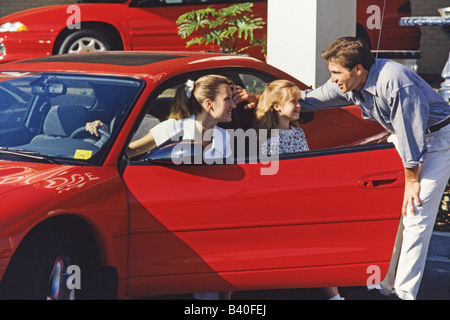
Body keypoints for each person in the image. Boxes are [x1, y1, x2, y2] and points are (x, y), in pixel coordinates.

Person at [235, 36, 450, 300]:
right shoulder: (349, 83)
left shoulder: (395, 83)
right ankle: (386, 284)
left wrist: (412, 181)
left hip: (437, 141)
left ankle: (405, 293)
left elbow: (411, 136)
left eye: (337, 72)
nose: (333, 79)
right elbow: (312, 98)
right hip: (407, 140)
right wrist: (262, 98)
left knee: (416, 214)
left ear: (358, 69)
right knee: (396, 215)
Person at [256, 79, 344, 301]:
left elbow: (307, 167)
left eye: (298, 101)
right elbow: (270, 180)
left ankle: (335, 294)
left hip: (304, 198)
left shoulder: (298, 132)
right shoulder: (268, 140)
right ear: (276, 106)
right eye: (292, 102)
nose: (298, 106)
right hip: (285, 204)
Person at [86, 74, 236, 160]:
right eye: (227, 99)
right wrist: (108, 135)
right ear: (209, 104)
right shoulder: (173, 128)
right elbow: (126, 153)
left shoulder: (223, 137)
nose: (233, 105)